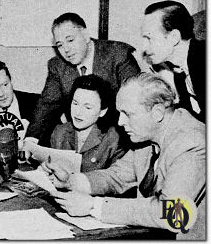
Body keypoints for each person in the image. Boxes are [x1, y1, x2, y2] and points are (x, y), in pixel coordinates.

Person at [44, 72, 205, 230]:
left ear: (157, 113)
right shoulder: (148, 137)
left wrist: (94, 206)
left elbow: (175, 213)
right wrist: (69, 181)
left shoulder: (191, 143)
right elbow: (116, 176)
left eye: (128, 114)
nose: (120, 122)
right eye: (120, 113)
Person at [25, 12, 140, 147]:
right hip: (80, 141)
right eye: (60, 45)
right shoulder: (58, 66)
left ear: (86, 35)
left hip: (119, 139)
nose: (66, 50)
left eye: (70, 40)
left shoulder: (118, 55)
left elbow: (135, 102)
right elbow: (47, 105)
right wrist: (30, 142)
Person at [141, 0, 205, 123]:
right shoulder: (180, 69)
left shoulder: (203, 59)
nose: (144, 48)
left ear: (174, 37)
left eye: (149, 38)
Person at [49, 74, 127, 172]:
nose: (78, 112)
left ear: (102, 111)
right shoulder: (60, 132)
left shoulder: (113, 139)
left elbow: (115, 180)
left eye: (88, 107)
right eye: (75, 103)